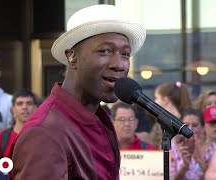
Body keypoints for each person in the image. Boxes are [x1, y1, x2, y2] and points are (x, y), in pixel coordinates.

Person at [9, 4, 146, 180]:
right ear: (72, 57)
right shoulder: (44, 134)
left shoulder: (99, 119)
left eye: (125, 54)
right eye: (105, 51)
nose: (119, 64)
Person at [0, 89, 37, 179]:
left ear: (36, 108)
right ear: (12, 110)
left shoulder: (45, 137)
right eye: (20, 104)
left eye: (29, 103)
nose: (24, 107)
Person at [150, 81, 192, 149]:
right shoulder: (186, 120)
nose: (155, 101)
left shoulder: (162, 124)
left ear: (165, 99)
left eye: (156, 98)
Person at [170, 109, 209, 180]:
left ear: (203, 128)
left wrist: (200, 160)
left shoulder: (211, 149)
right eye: (186, 125)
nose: (190, 129)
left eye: (195, 125)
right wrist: (185, 166)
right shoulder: (172, 149)